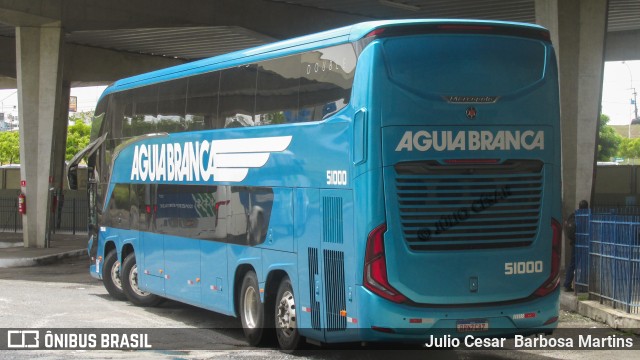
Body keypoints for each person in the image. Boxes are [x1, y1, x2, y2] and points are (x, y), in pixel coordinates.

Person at [563, 200, 589, 292]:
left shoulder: (574, 215)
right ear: (586, 207)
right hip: (584, 243)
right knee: (584, 264)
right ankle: (582, 285)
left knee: (572, 264)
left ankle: (567, 284)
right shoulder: (587, 216)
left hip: (575, 243)